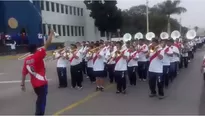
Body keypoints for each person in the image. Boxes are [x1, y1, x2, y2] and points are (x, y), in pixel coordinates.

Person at [21, 29, 54, 115]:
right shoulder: (37, 56)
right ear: (35, 49)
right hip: (42, 83)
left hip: (34, 84)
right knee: (42, 101)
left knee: (40, 98)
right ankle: (39, 114)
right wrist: (51, 34)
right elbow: (47, 44)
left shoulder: (27, 60)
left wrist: (22, 84)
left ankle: (39, 112)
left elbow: (24, 73)